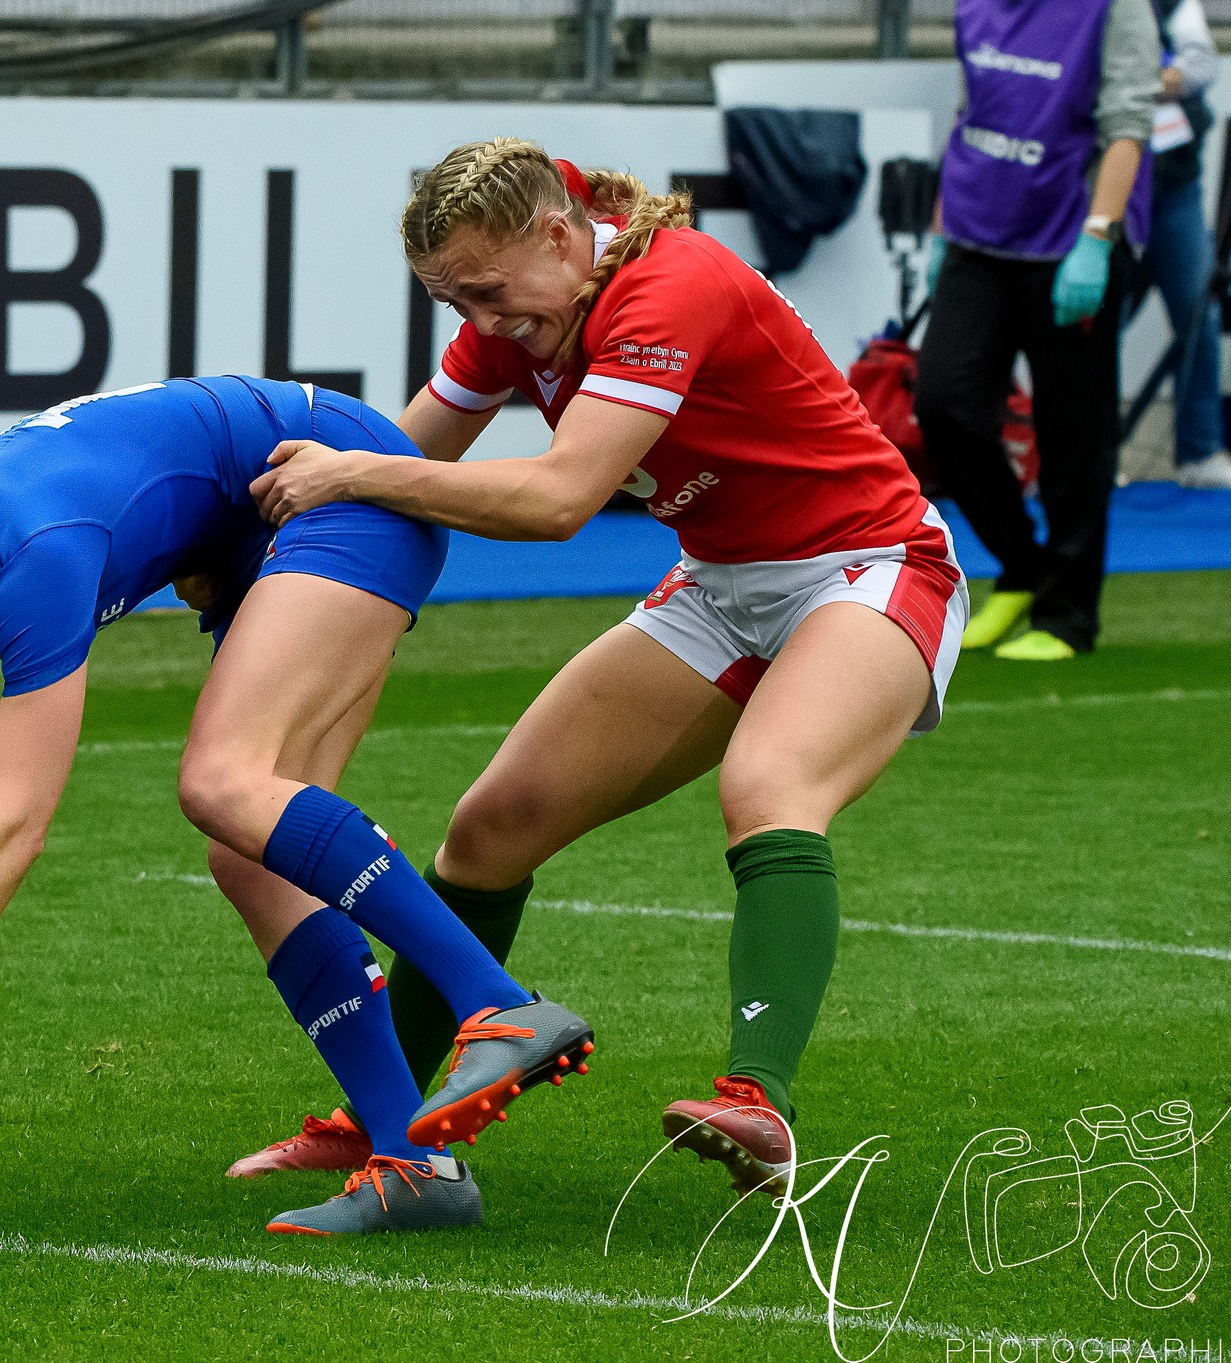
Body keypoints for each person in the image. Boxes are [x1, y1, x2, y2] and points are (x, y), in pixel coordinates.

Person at [240, 138, 968, 1198]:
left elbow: (556, 499)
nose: (481, 321)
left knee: (770, 787)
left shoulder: (667, 287)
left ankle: (757, 1102)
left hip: (869, 565)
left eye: (487, 293)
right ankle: (384, 1121)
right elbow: (406, 453)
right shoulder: (526, 307)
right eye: (456, 301)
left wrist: (351, 475)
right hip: (720, 584)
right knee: (488, 831)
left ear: (556, 233)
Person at [0, 377, 593, 1236]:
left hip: (335, 478)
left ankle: (498, 1004)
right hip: (240, 527)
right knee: (251, 856)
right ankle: (415, 1165)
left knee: (222, 782)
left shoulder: (37, 547)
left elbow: (16, 824)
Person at [914, 0, 1160, 661]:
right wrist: (942, 225)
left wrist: (1099, 237)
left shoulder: (1114, 7)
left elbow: (1128, 127)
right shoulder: (975, 6)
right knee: (943, 401)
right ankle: (1023, 564)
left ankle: (1067, 613)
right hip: (978, 235)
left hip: (1072, 236)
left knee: (1073, 432)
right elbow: (969, 114)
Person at [1142, 0, 1231, 490]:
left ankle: (1200, 451)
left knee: (1198, 309)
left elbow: (1200, 64)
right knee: (1092, 326)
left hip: (1173, 186)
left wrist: (1135, 81)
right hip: (1097, 186)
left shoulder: (1172, 3)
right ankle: (1085, 457)